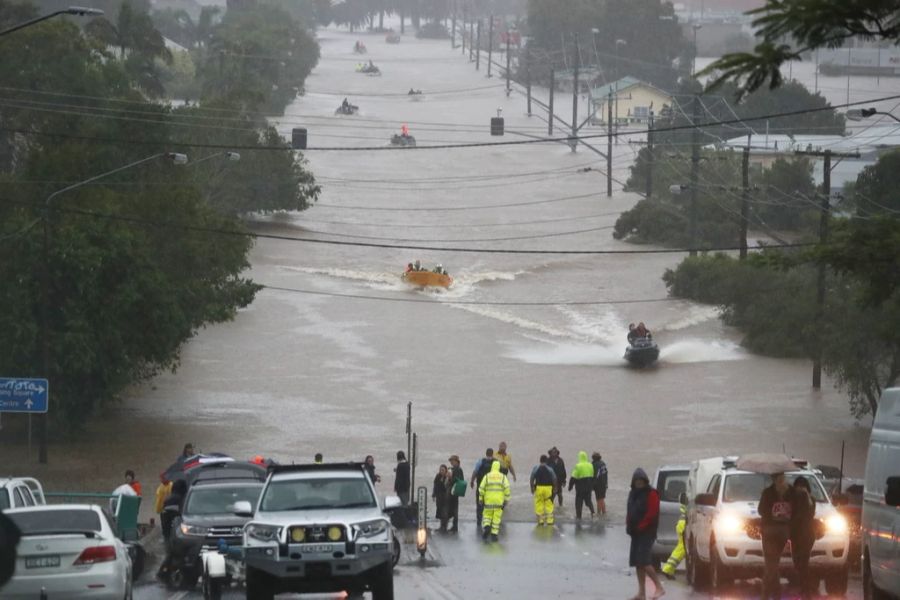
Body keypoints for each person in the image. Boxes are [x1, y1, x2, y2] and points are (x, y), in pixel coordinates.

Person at [627, 468, 665, 600]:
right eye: (636, 481)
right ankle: (641, 593)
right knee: (637, 562)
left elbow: (652, 513)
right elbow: (629, 511)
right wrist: (629, 526)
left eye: (641, 481)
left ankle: (659, 587)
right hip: (635, 532)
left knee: (644, 560)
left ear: (645, 481)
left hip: (647, 532)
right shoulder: (632, 493)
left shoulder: (651, 493)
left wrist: (641, 526)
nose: (638, 483)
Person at [758, 472, 793, 600]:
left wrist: (772, 513)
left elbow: (761, 510)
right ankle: (775, 595)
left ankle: (766, 595)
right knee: (774, 563)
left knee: (770, 564)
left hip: (770, 531)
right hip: (783, 532)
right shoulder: (790, 492)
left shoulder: (768, 492)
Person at [791, 477, 817, 599]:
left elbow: (805, 514)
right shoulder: (795, 499)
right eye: (798, 486)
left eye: (802, 486)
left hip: (806, 536)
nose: (800, 488)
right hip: (796, 536)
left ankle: (806, 590)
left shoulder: (810, 499)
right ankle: (804, 588)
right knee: (797, 562)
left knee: (803, 563)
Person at [478, 460, 510, 542]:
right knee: (496, 518)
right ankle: (494, 534)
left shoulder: (487, 476)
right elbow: (507, 489)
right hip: (499, 501)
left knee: (487, 515)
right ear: (499, 467)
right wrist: (506, 500)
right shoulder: (503, 477)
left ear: (492, 467)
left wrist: (481, 498)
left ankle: (487, 526)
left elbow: (481, 488)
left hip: (488, 500)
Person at [661, 502, 686, 579]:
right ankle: (668, 569)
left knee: (681, 548)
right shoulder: (692, 496)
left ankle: (669, 569)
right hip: (684, 525)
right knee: (682, 549)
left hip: (682, 524)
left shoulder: (688, 496)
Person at [470, 448, 495, 525]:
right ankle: (489, 521)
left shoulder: (481, 461)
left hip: (481, 487)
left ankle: (479, 520)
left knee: (479, 504)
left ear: (486, 453)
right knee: (490, 505)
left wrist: (472, 481)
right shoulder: (496, 462)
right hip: (492, 488)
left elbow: (475, 472)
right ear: (492, 453)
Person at [530, 454, 557, 526]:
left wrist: (532, 487)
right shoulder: (550, 469)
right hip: (548, 488)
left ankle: (540, 520)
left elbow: (532, 478)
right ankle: (550, 520)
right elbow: (554, 479)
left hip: (539, 488)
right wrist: (555, 488)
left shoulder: (536, 468)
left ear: (540, 460)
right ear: (546, 461)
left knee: (539, 503)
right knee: (548, 503)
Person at [569, 451, 596, 520]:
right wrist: (592, 486)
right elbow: (593, 476)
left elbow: (573, 477)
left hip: (580, 487)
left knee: (578, 503)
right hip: (589, 486)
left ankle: (579, 517)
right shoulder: (590, 465)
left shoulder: (578, 465)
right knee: (589, 501)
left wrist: (570, 486)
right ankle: (593, 513)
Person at [446, 455, 464, 532]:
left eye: (452, 461)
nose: (451, 462)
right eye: (450, 461)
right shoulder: (457, 469)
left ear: (456, 461)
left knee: (452, 509)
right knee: (454, 509)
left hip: (453, 491)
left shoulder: (456, 469)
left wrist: (450, 478)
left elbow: (457, 480)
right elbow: (462, 480)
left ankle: (453, 526)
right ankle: (454, 526)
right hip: (454, 491)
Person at [433, 465, 451, 532]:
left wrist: (445, 480)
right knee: (440, 511)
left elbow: (447, 487)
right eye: (440, 470)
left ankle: (445, 526)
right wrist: (433, 495)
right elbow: (435, 486)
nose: (441, 471)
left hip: (445, 498)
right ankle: (441, 526)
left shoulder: (447, 477)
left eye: (443, 470)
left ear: (446, 470)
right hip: (439, 497)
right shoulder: (438, 476)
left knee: (445, 513)